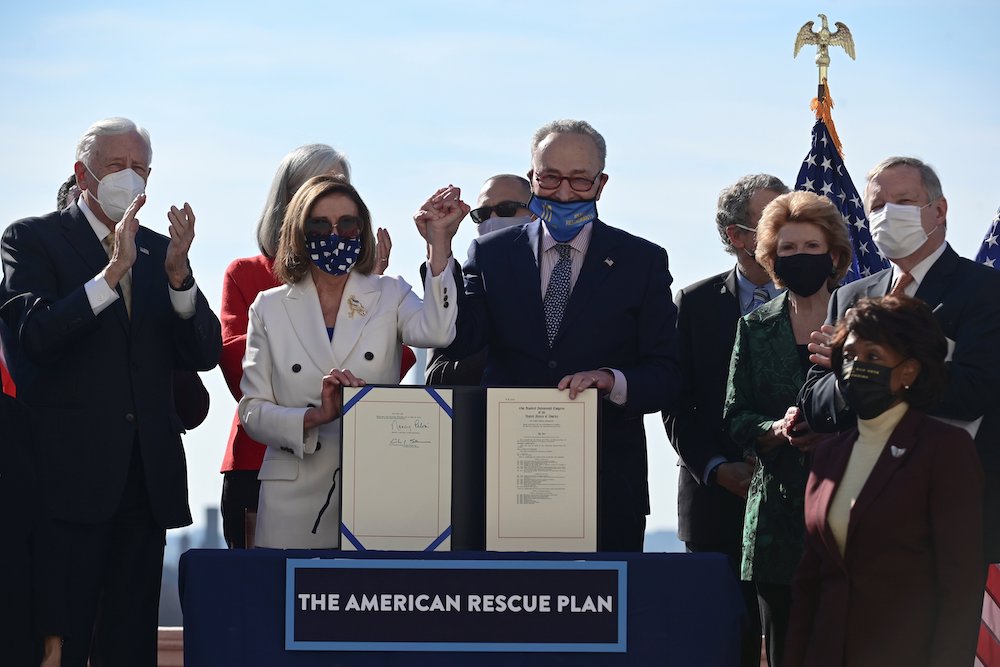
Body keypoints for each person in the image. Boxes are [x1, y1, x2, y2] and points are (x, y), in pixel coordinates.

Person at [0, 117, 222, 666]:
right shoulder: (32, 239)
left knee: (129, 645)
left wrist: (179, 283)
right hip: (65, 486)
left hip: (143, 486)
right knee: (63, 640)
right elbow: (34, 336)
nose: (132, 178)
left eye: (142, 168)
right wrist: (108, 275)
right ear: (83, 173)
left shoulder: (159, 251)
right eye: (118, 166)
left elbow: (204, 353)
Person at [430, 119, 681, 552]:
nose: (564, 192)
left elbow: (667, 373)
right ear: (532, 179)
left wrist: (611, 379)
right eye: (550, 178)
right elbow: (458, 341)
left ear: (601, 183)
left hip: (605, 486)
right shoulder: (491, 255)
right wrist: (439, 251)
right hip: (504, 482)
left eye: (580, 180)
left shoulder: (642, 261)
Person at [238, 175, 461, 549]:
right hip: (292, 502)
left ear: (362, 231)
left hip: (376, 490)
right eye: (320, 225)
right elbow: (253, 412)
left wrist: (439, 242)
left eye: (347, 224)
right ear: (299, 232)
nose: (335, 234)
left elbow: (438, 333)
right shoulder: (269, 306)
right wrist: (314, 417)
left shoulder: (390, 293)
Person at [799, 156, 1000, 564]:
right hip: (862, 509)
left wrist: (866, 373)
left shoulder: (984, 291)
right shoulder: (850, 297)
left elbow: (974, 390)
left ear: (939, 211)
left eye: (903, 200)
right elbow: (815, 400)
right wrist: (868, 378)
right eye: (876, 206)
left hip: (951, 512)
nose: (887, 214)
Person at [218, 144, 414, 549]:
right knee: (272, 597)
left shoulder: (375, 288)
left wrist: (366, 313)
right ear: (289, 201)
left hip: (359, 461)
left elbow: (399, 361)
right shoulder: (250, 275)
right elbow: (236, 364)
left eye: (340, 186)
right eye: (316, 184)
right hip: (266, 461)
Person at [786, 295, 984, 667]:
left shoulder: (943, 450)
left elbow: (959, 586)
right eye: (847, 356)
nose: (855, 367)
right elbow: (810, 582)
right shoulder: (828, 455)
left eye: (873, 357)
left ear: (909, 371)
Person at [664, 173, 788, 666]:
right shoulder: (693, 304)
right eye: (772, 218)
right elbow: (677, 402)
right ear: (736, 236)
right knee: (719, 643)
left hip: (797, 507)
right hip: (715, 507)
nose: (786, 227)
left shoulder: (828, 300)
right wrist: (717, 467)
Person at [723, 190, 852, 667]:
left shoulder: (862, 320)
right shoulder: (755, 327)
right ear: (772, 258)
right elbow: (735, 414)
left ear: (834, 254)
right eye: (789, 249)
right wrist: (775, 427)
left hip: (852, 509)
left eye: (811, 248)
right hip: (777, 522)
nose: (800, 258)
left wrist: (835, 430)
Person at [54, 172, 211, 430]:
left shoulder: (157, 259)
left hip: (150, 451)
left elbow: (193, 402)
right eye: (85, 214)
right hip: (73, 444)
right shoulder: (50, 284)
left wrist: (179, 277)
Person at [425, 173, 533, 386]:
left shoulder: (562, 278)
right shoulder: (463, 286)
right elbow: (437, 377)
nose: (492, 220)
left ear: (537, 213)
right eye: (482, 214)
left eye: (506, 209)